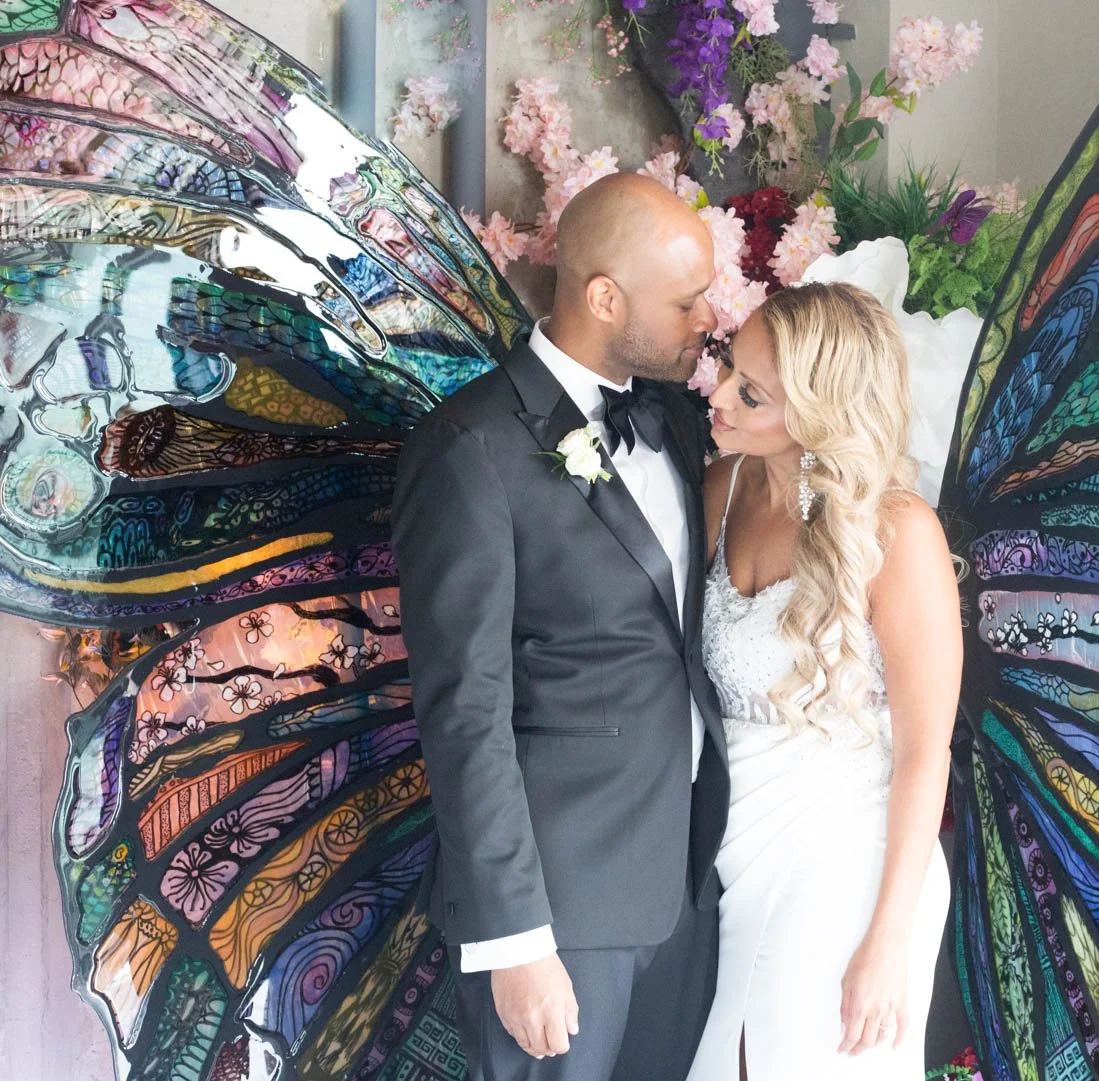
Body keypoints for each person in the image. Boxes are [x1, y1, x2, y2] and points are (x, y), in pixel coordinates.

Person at [391, 172, 730, 1081]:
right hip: (558, 912)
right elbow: (465, 708)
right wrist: (515, 938)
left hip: (685, 892)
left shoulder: (679, 424)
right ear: (604, 296)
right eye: (688, 299)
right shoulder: (469, 449)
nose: (710, 317)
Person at [685, 281, 963, 1080]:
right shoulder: (721, 489)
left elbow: (924, 751)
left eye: (753, 392)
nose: (721, 396)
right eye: (731, 368)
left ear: (816, 410)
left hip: (850, 853)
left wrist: (888, 937)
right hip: (735, 846)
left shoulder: (898, 532)